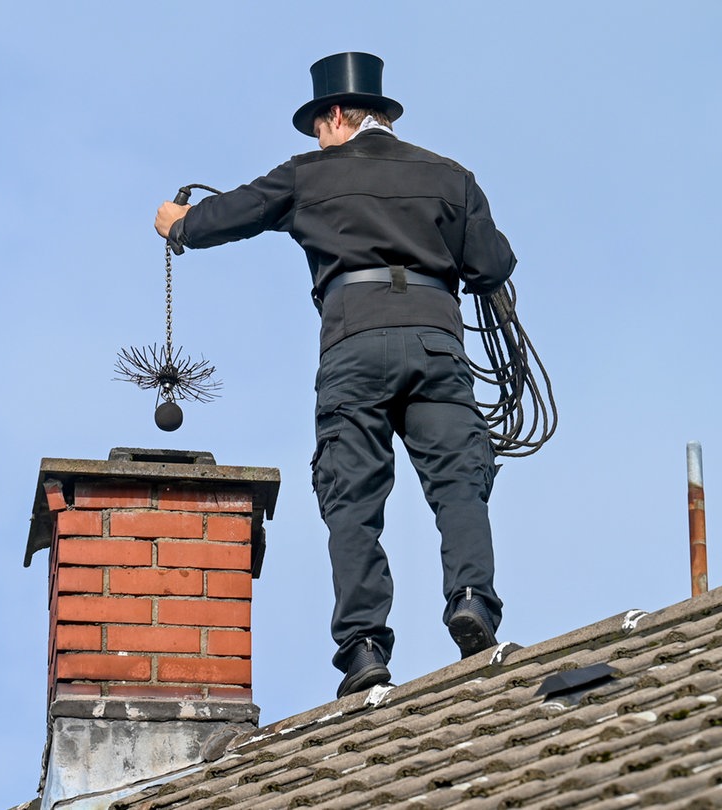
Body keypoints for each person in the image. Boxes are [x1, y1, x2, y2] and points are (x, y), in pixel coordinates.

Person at [154, 52, 516, 698]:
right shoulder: (450, 176)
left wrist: (178, 225)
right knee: (459, 478)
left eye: (318, 125)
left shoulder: (308, 176)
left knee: (352, 495)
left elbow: (228, 215)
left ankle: (364, 646)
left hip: (354, 341)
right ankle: (472, 600)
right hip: (436, 341)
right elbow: (491, 266)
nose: (318, 138)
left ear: (337, 116)